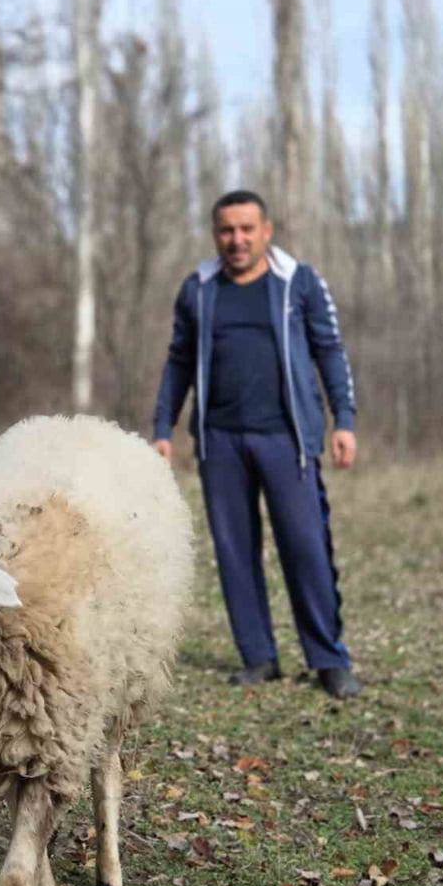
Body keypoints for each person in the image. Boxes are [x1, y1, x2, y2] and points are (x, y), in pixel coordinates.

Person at [151, 189, 362, 699]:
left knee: (307, 548)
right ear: (215, 233)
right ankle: (259, 657)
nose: (237, 239)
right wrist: (163, 427)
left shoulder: (299, 283)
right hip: (220, 439)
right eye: (227, 230)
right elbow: (179, 359)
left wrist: (344, 420)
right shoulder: (199, 288)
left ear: (266, 231)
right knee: (234, 552)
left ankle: (329, 660)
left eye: (247, 229)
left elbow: (329, 350)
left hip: (286, 440)